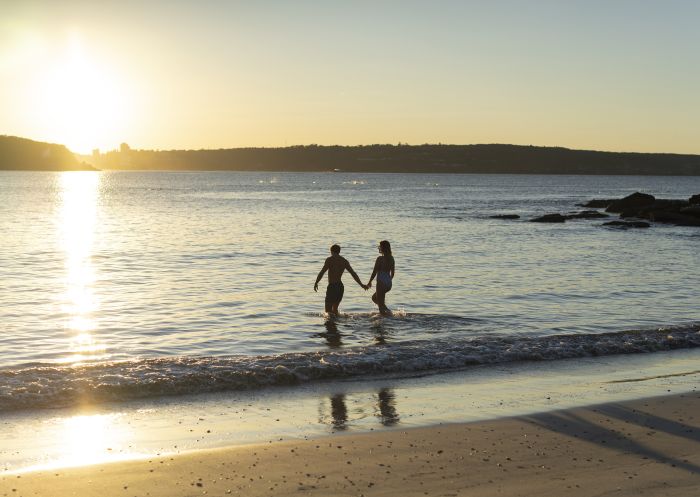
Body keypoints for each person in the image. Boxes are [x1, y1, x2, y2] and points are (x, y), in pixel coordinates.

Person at [314, 244, 367, 315]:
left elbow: (322, 272)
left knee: (328, 311)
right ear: (339, 251)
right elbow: (353, 273)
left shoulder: (329, 260)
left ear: (331, 251)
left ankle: (331, 325)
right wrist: (361, 284)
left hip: (332, 286)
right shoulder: (344, 261)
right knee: (335, 310)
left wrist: (316, 282)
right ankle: (336, 324)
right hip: (340, 287)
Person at [367, 240, 395, 314]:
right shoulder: (392, 258)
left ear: (383, 248)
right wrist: (388, 280)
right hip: (388, 282)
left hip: (381, 281)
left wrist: (370, 281)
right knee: (374, 298)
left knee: (380, 305)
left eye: (380, 246)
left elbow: (374, 271)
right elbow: (392, 273)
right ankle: (388, 312)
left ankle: (386, 316)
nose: (379, 248)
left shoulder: (380, 259)